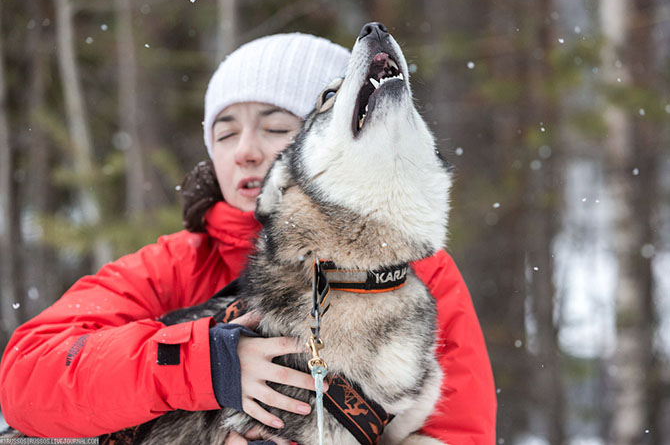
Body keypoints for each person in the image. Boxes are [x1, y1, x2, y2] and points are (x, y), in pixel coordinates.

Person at [0, 32, 497, 445]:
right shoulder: (176, 264)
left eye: (276, 127)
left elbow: (461, 432)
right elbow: (25, 380)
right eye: (224, 133)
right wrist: (206, 365)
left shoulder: (411, 271)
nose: (245, 152)